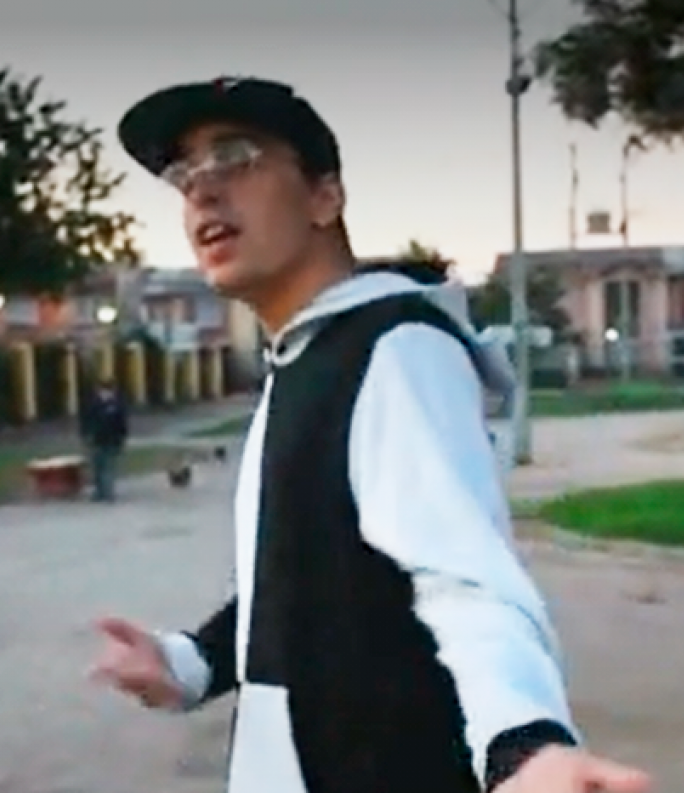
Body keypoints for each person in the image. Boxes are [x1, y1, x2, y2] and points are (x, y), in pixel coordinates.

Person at [90, 76, 651, 793]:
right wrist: (188, 662)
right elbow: (299, 583)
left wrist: (524, 744)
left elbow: (465, 578)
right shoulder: (306, 358)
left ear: (325, 197)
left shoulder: (395, 348)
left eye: (235, 156)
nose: (202, 190)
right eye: (183, 175)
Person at [81, 379, 128, 502]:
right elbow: (122, 424)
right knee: (100, 466)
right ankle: (102, 491)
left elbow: (121, 423)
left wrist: (86, 435)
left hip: (104, 439)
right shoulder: (110, 404)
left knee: (105, 466)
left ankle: (106, 492)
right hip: (102, 439)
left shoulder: (112, 404)